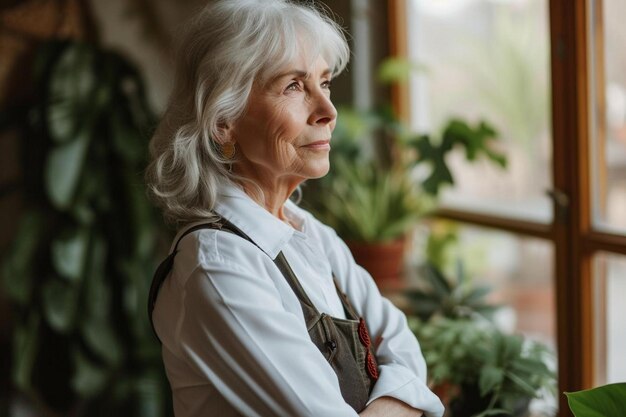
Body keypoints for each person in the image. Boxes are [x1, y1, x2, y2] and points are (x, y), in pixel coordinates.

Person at [145, 1, 445, 416]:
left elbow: (405, 348)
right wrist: (403, 401)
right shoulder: (217, 266)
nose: (328, 111)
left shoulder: (312, 234)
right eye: (293, 86)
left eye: (324, 83)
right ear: (222, 121)